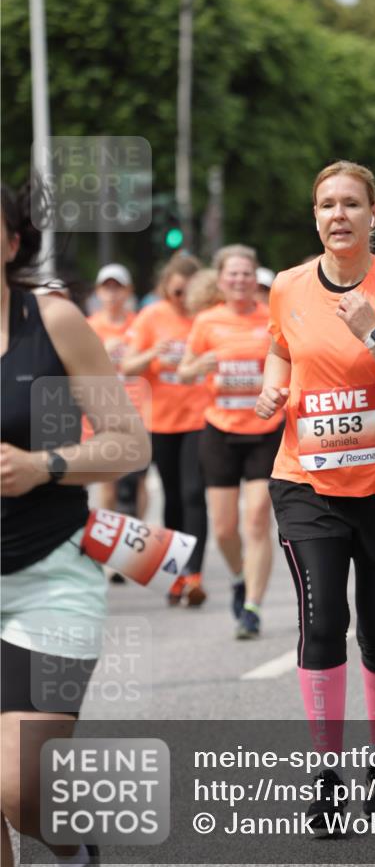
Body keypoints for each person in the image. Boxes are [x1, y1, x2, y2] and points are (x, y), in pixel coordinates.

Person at [255, 161, 375, 829]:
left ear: (373, 216)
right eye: (326, 205)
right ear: (316, 218)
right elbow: (281, 348)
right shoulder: (286, 287)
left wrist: (373, 332)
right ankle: (328, 775)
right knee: (320, 623)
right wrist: (271, 386)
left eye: (350, 205)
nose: (338, 215)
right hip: (307, 482)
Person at [1, 182, 150, 867]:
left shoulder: (50, 321)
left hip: (49, 578)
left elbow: (129, 443)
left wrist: (44, 464)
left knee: (17, 787)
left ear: (12, 242)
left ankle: (71, 852)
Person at [179, 246, 284, 638]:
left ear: (255, 277)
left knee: (256, 518)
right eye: (232, 274)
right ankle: (239, 577)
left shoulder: (271, 319)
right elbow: (185, 371)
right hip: (220, 432)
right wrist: (198, 366)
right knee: (224, 529)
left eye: (246, 274)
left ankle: (253, 607)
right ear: (220, 280)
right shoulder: (207, 321)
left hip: (265, 431)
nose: (239, 280)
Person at [121, 254, 209, 607]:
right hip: (161, 420)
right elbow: (128, 366)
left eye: (187, 294)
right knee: (171, 498)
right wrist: (152, 355)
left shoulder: (206, 317)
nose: (181, 301)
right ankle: (176, 575)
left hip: (200, 418)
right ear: (165, 288)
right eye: (176, 293)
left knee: (192, 494)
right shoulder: (152, 316)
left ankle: (194, 576)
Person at [87, 264, 148, 526]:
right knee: (108, 480)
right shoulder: (88, 326)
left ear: (128, 291)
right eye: (107, 287)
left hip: (140, 410)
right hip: (104, 412)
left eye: (118, 287)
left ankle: (137, 533)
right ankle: (109, 537)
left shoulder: (141, 323)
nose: (112, 294)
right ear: (98, 292)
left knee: (138, 480)